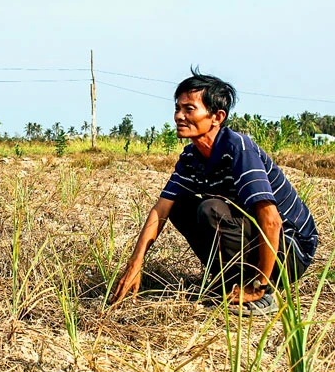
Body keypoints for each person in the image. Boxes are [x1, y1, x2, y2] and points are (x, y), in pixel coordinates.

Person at [109, 68, 318, 315]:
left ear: (217, 117)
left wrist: (261, 284)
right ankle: (227, 281)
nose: (179, 116)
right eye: (177, 108)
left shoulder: (239, 149)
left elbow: (271, 221)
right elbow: (161, 208)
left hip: (290, 249)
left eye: (189, 109)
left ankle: (263, 292)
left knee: (211, 210)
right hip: (257, 236)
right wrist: (136, 262)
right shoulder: (191, 157)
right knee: (181, 205)